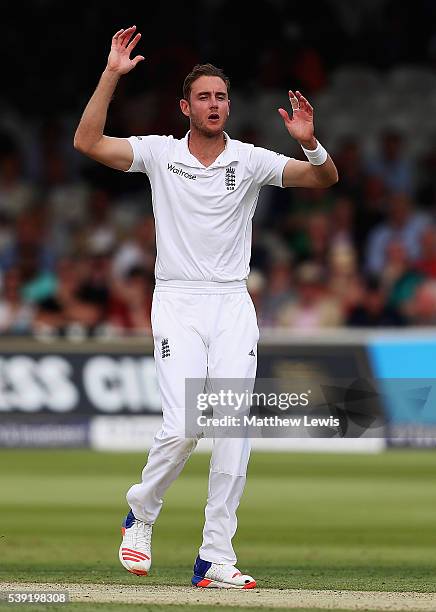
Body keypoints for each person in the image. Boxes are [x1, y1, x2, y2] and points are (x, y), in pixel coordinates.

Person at [74, 25, 338, 589]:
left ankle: (215, 557)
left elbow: (323, 178)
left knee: (234, 430)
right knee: (186, 425)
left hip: (232, 303)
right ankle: (141, 512)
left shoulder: (248, 160)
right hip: (178, 300)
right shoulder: (159, 153)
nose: (214, 105)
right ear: (184, 107)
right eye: (204, 97)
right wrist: (111, 76)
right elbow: (88, 142)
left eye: (221, 97)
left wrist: (310, 141)